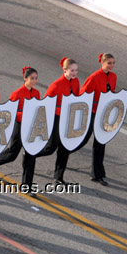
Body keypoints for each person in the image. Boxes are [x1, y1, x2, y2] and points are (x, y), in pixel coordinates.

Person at [0, 67, 40, 197]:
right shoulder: (17, 94)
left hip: (31, 128)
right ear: (25, 78)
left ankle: (27, 186)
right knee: (12, 154)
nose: (34, 81)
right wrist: (24, 114)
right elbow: (10, 112)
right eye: (32, 78)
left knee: (31, 156)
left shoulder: (36, 93)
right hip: (19, 126)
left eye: (36, 78)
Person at [79, 53, 117, 186]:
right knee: (82, 139)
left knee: (100, 143)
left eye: (113, 63)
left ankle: (97, 174)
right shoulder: (94, 77)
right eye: (109, 63)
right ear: (102, 63)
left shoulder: (113, 77)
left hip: (103, 114)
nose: (111, 66)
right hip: (93, 113)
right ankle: (64, 152)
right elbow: (83, 95)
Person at [44, 58, 80, 186]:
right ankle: (31, 154)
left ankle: (58, 176)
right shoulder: (56, 85)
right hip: (57, 118)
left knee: (65, 148)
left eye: (76, 70)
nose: (75, 73)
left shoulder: (76, 82)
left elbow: (76, 97)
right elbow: (46, 103)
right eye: (72, 70)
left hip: (68, 118)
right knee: (51, 148)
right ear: (65, 70)